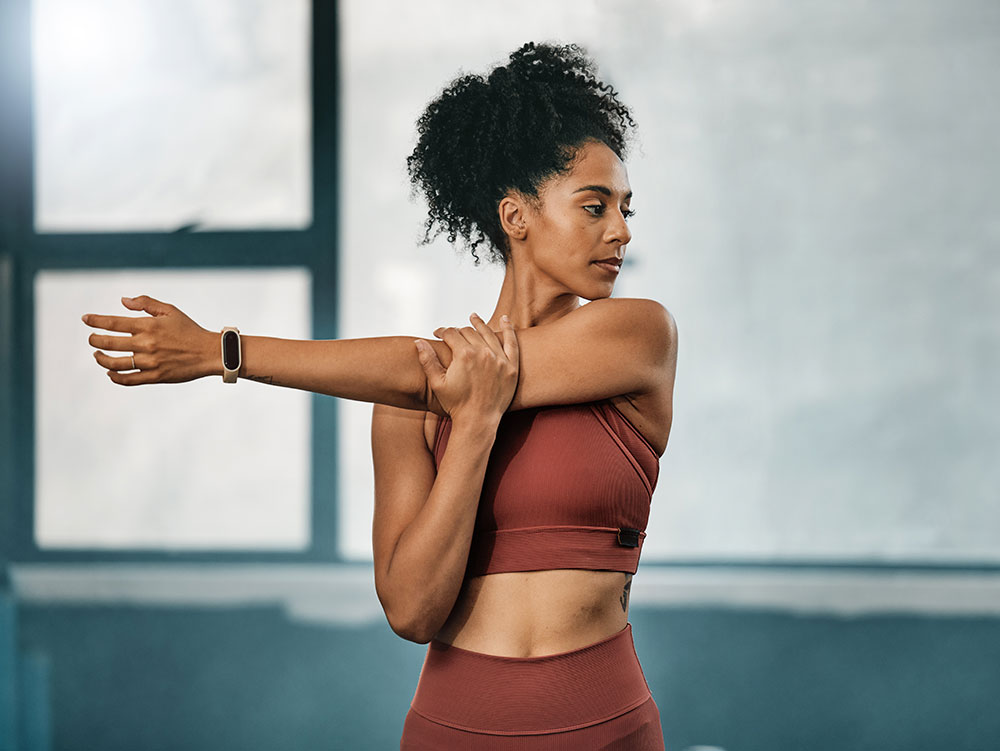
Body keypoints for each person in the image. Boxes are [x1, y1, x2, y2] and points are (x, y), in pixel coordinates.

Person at [82, 42, 677, 750]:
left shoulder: (636, 335)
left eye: (625, 207)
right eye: (595, 205)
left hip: (605, 725)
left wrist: (223, 351)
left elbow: (430, 368)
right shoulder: (398, 400)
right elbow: (413, 610)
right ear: (516, 216)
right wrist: (475, 429)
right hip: (452, 727)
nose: (622, 229)